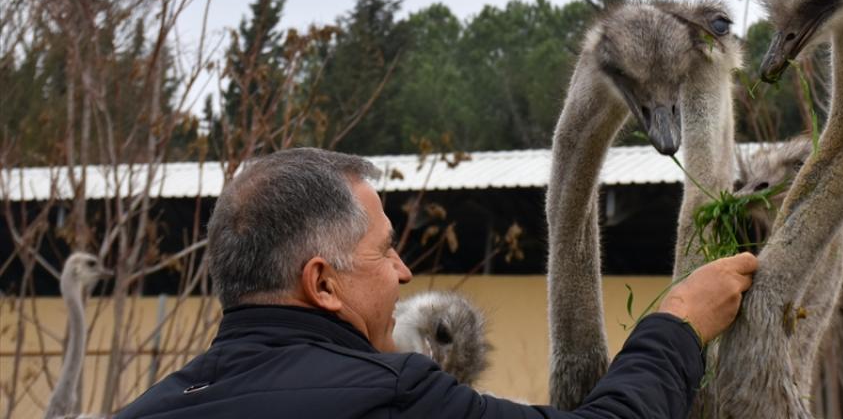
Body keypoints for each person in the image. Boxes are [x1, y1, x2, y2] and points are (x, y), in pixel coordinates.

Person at [116, 148, 757, 418]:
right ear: (323, 285)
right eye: (386, 250)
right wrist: (677, 324)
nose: (403, 271)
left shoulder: (147, 407)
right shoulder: (389, 396)